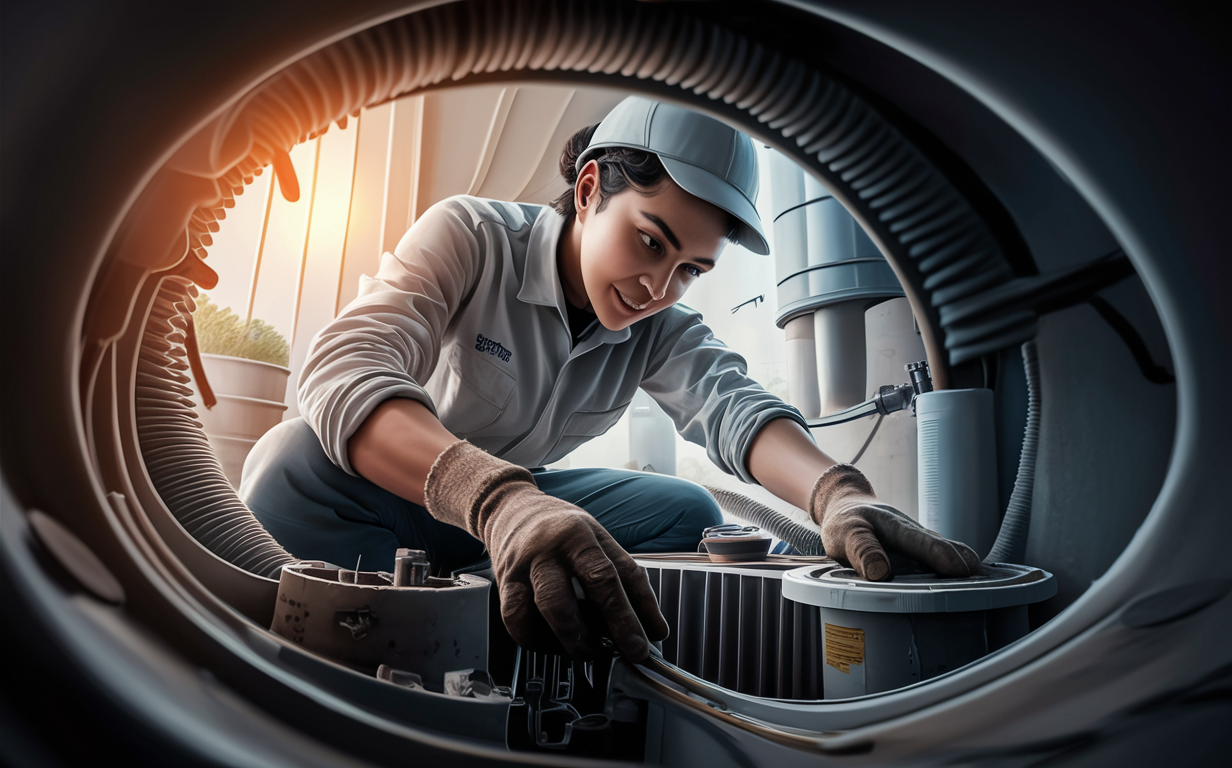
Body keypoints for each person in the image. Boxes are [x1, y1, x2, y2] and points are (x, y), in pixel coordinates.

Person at [240, 96, 979, 663]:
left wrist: (837, 495)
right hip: (400, 500)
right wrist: (498, 502)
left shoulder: (656, 326)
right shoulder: (471, 237)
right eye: (650, 241)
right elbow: (347, 367)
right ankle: (454, 615)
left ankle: (497, 634)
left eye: (689, 269)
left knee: (688, 512)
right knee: (287, 466)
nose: (658, 285)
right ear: (590, 189)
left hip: (513, 516)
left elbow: (734, 406)